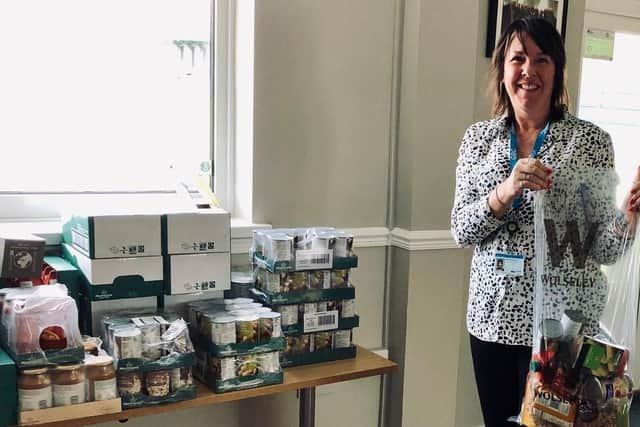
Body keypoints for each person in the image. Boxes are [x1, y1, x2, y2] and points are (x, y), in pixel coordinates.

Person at [450, 17, 640, 427]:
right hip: (493, 319)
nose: (529, 71)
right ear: (503, 70)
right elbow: (461, 229)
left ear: (558, 71)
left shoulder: (590, 142)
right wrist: (506, 190)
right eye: (518, 59)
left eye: (542, 59)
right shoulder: (477, 139)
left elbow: (603, 247)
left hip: (562, 328)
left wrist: (627, 214)